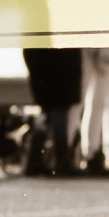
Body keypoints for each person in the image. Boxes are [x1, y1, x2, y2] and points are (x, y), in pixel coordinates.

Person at [23, 48, 84, 176]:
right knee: (57, 120)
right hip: (56, 78)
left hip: (50, 78)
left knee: (48, 119)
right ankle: (59, 161)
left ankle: (37, 160)